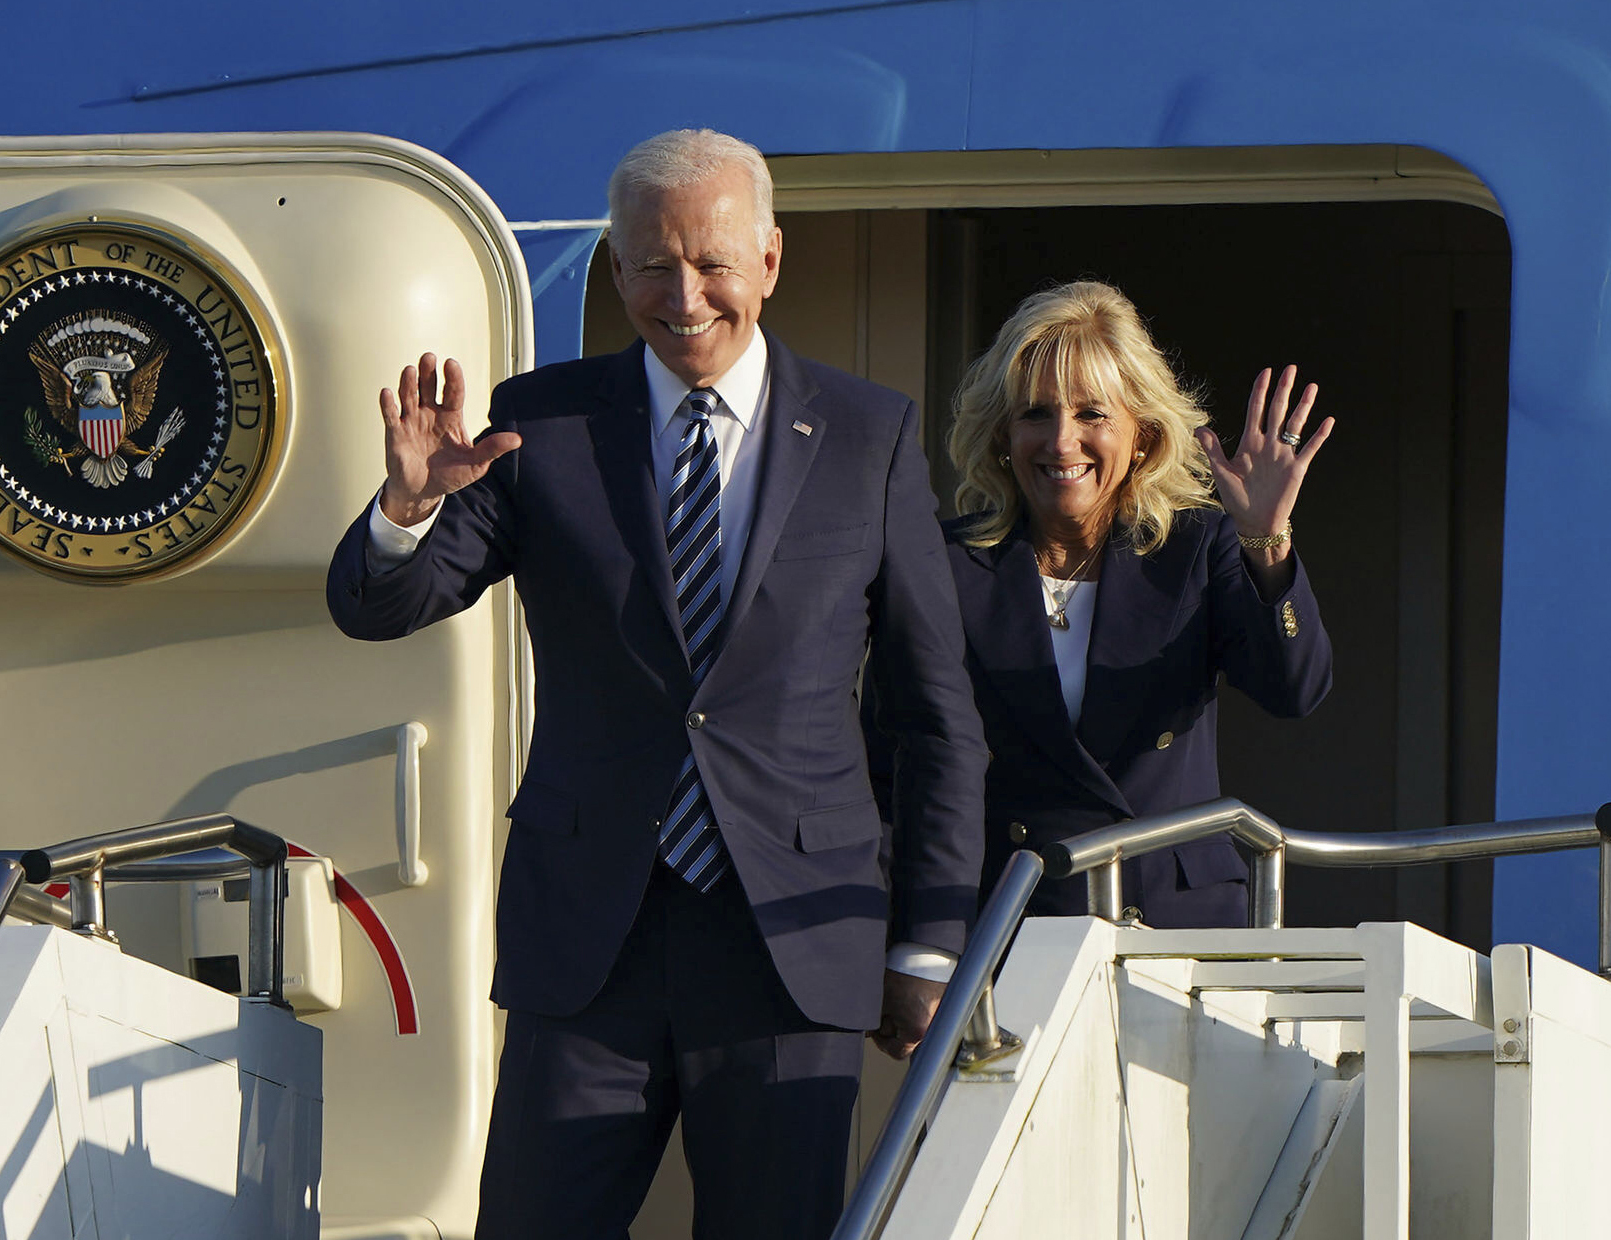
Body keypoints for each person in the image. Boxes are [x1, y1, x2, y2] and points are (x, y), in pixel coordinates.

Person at [326, 129, 985, 1240]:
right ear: (615, 268)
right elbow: (380, 606)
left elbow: (937, 718)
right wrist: (407, 510)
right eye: (648, 265)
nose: (683, 296)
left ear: (770, 259)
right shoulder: (539, 420)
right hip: (591, 943)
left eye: (712, 262)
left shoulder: (870, 435)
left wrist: (927, 941)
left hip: (790, 941)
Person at [938, 280, 1333, 925]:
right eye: (1036, 413)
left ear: (1142, 435)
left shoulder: (1198, 546)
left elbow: (1296, 689)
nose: (1062, 442)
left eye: (1093, 414)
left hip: (1177, 926)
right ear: (1003, 434)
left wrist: (1267, 540)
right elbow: (898, 770)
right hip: (1015, 924)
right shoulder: (949, 564)